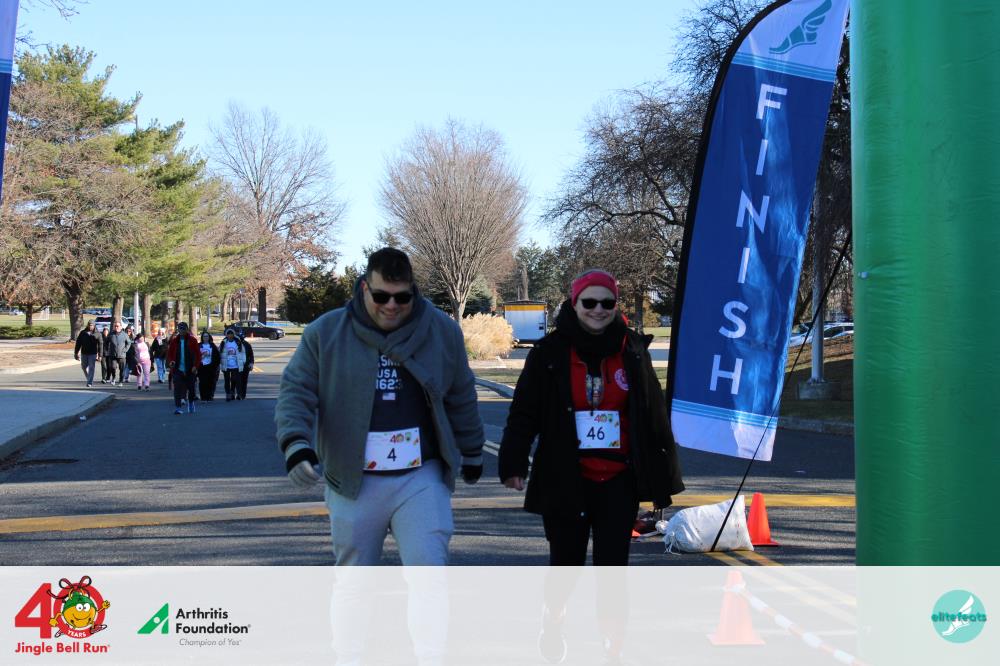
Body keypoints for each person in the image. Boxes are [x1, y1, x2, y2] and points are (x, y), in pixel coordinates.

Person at [275, 247, 484, 565]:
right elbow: (296, 391)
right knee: (356, 580)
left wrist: (472, 450)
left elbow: (461, 394)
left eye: (402, 297)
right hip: (353, 478)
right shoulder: (326, 333)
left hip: (421, 475)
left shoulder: (442, 331)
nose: (391, 305)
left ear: (413, 290)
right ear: (364, 288)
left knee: (430, 569)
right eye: (381, 296)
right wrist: (295, 444)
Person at [498, 269, 684, 566]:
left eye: (607, 303)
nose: (598, 309)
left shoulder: (633, 349)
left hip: (619, 480)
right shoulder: (548, 353)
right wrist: (513, 463)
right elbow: (524, 413)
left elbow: (654, 415)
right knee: (565, 566)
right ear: (575, 304)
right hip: (565, 476)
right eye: (589, 302)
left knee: (612, 567)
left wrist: (666, 475)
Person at [165, 321, 201, 414]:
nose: (181, 331)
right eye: (180, 329)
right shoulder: (174, 341)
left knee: (191, 389)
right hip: (178, 369)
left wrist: (195, 366)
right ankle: (178, 407)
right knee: (177, 389)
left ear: (187, 330)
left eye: (183, 329)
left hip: (190, 369)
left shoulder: (192, 340)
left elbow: (198, 355)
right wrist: (171, 362)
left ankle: (191, 402)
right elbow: (170, 354)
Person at [219, 328, 246, 401]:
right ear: (226, 335)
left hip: (236, 365)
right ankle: (228, 394)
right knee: (227, 381)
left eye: (231, 334)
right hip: (226, 365)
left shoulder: (238, 342)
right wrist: (220, 363)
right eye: (228, 334)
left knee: (236, 380)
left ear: (233, 335)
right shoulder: (223, 343)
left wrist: (243, 361)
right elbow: (220, 353)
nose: (230, 335)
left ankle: (238, 394)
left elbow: (243, 352)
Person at [73, 320, 101, 387]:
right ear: (87, 325)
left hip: (93, 353)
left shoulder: (98, 334)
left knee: (91, 367)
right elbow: (78, 343)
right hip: (84, 353)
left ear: (94, 326)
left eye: (92, 325)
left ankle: (89, 382)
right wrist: (76, 353)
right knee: (84, 367)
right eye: (89, 325)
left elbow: (101, 345)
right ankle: (89, 378)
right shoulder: (83, 333)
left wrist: (100, 355)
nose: (90, 326)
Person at [105, 321, 132, 386]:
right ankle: (113, 378)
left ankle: (120, 381)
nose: (116, 327)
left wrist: (125, 350)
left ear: (121, 327)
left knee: (122, 369)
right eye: (115, 326)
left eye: (117, 326)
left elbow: (129, 343)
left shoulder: (124, 334)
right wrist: (108, 349)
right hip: (113, 354)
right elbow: (106, 342)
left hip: (122, 355)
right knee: (113, 367)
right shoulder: (111, 334)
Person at [197, 331, 221, 401]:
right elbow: (195, 355)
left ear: (209, 337)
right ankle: (203, 397)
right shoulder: (199, 345)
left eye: (207, 336)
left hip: (211, 367)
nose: (205, 338)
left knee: (211, 382)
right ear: (202, 337)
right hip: (201, 367)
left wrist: (215, 365)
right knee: (202, 382)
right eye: (204, 336)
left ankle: (209, 396)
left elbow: (217, 357)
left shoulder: (212, 345)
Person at [236, 332, 254, 400]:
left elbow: (251, 355)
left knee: (244, 380)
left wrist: (251, 363)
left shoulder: (247, 344)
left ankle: (243, 395)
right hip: (237, 365)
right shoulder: (235, 344)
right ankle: (238, 394)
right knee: (238, 380)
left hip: (246, 365)